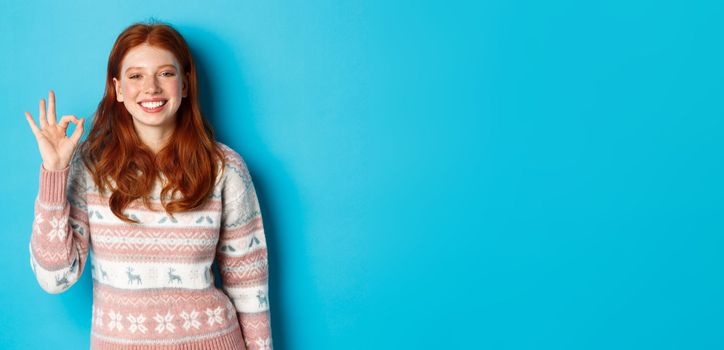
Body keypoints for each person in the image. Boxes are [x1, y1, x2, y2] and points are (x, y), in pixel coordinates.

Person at [24, 21, 273, 350]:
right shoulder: (90, 166)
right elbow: (55, 277)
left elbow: (249, 284)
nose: (151, 88)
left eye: (166, 74)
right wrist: (55, 172)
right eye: (136, 75)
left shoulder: (224, 168)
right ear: (118, 89)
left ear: (185, 84)